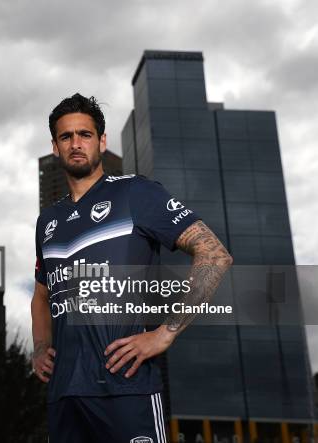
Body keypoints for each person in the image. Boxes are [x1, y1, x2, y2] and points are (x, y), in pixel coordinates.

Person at [31, 93, 233, 443]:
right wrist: (38, 347)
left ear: (102, 141)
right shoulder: (47, 220)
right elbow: (41, 295)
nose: (76, 143)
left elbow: (214, 254)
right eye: (66, 137)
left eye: (85, 134)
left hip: (127, 389)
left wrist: (165, 332)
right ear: (55, 146)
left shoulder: (136, 193)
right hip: (65, 396)